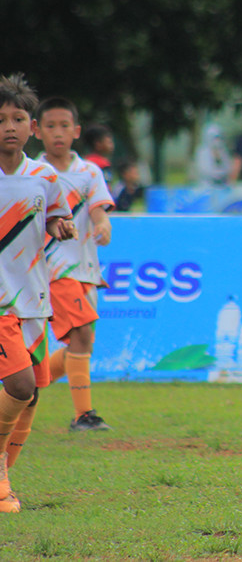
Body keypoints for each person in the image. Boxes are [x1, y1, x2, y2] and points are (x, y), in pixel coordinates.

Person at [0, 74, 77, 513]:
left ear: (32, 127)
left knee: (32, 394)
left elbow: (53, 216)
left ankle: (4, 477)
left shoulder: (44, 176)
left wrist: (58, 225)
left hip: (33, 300)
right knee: (20, 384)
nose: (9, 126)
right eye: (0, 119)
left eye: (18, 118)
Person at [33, 97, 115, 432]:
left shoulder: (89, 171)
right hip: (53, 270)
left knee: (83, 343)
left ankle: (24, 386)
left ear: (77, 131)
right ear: (36, 131)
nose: (58, 133)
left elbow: (98, 208)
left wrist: (103, 224)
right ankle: (84, 416)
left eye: (64, 125)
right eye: (50, 126)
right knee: (81, 334)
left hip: (86, 269)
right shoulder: (34, 173)